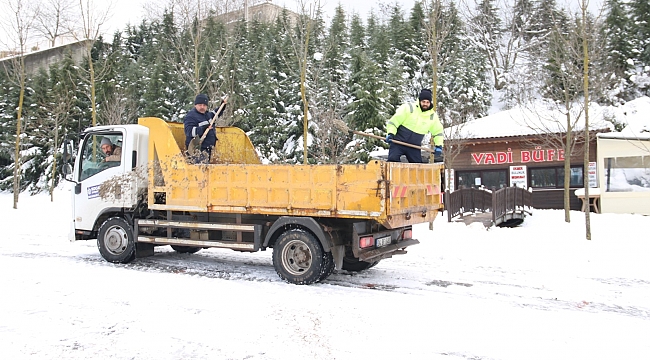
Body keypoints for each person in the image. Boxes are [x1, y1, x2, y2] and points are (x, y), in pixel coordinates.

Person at [385, 88, 444, 163]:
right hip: (398, 142)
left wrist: (439, 146)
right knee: (392, 161)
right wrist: (390, 133)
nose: (425, 104)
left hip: (414, 146)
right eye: (423, 101)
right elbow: (394, 122)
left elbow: (438, 132)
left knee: (417, 166)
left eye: (427, 102)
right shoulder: (408, 108)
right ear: (419, 101)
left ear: (430, 103)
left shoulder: (432, 116)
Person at [183, 93, 227, 163]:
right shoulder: (191, 116)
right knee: (200, 170)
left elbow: (216, 114)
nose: (202, 107)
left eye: (204, 105)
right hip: (196, 149)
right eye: (200, 105)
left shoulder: (207, 115)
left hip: (207, 149)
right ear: (195, 105)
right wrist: (203, 128)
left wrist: (222, 106)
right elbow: (189, 131)